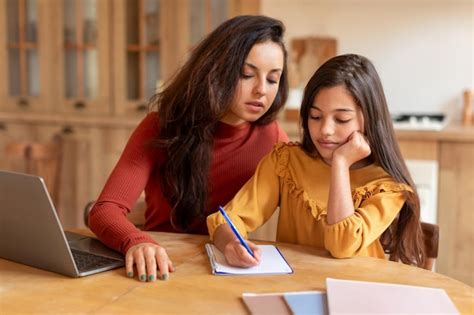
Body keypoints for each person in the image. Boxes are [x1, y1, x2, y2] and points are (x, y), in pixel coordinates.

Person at [88, 15, 289, 282]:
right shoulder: (160, 127)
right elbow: (104, 210)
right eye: (246, 75)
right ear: (217, 70)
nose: (261, 90)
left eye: (273, 79)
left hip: (227, 270)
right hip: (162, 267)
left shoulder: (273, 139)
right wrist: (135, 240)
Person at [207, 54, 426, 268]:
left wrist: (340, 164)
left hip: (360, 294)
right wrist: (231, 244)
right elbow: (228, 218)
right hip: (296, 289)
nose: (325, 130)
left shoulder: (386, 186)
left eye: (341, 119)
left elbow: (342, 245)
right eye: (315, 116)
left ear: (368, 120)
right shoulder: (285, 162)